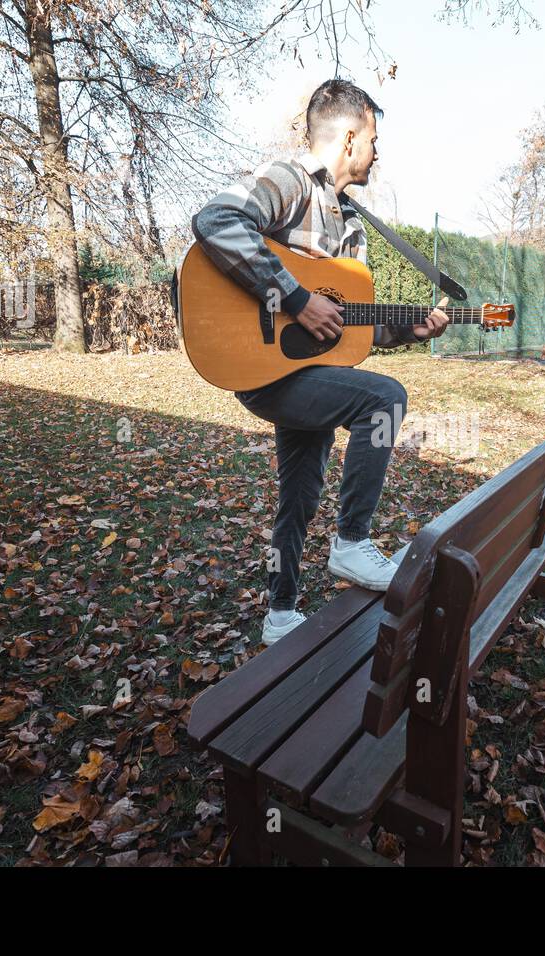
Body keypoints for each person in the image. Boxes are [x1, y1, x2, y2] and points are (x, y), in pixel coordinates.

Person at [192, 78, 451, 645]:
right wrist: (294, 296)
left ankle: (279, 613)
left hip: (312, 373)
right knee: (384, 398)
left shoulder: (352, 224)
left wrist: (409, 330)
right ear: (351, 134)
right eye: (375, 138)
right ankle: (352, 542)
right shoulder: (288, 181)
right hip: (264, 370)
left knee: (300, 490)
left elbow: (350, 332)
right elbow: (216, 221)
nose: (379, 151)